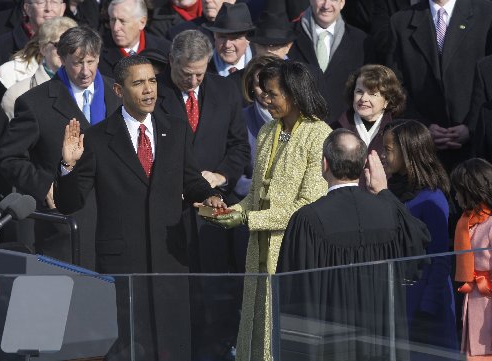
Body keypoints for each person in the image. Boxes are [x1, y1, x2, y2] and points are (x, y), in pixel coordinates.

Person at [54, 55, 225, 361]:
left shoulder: (176, 128)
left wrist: (209, 195)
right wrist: (68, 165)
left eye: (152, 81)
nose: (148, 90)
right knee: (128, 348)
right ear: (118, 90)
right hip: (123, 265)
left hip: (170, 260)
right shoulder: (97, 138)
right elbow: (70, 203)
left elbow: (190, 178)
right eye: (138, 83)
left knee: (173, 346)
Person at [207, 59, 332, 361]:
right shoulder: (267, 131)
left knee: (283, 335)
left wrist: (248, 218)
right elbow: (256, 194)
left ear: (294, 93)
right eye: (264, 92)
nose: (265, 98)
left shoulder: (319, 134)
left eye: (272, 93)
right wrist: (230, 210)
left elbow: (308, 205)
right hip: (257, 250)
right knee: (254, 328)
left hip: (292, 251)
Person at [276, 129, 430, 361]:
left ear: (324, 164)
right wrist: (384, 192)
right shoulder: (388, 211)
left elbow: (293, 295)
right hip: (381, 340)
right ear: (362, 166)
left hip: (334, 345)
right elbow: (418, 246)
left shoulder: (308, 219)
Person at [155, 29, 249, 359]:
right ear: (171, 62)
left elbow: (239, 146)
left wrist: (221, 175)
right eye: (186, 73)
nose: (194, 81)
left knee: (213, 296)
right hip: (171, 212)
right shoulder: (154, 93)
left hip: (215, 214)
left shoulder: (225, 90)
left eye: (200, 72)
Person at [0, 25, 120, 268]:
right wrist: (44, 186)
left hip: (114, 224)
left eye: (91, 62)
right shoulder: (35, 103)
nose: (85, 71)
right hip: (65, 225)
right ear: (61, 59)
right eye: (77, 63)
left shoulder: (116, 94)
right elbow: (8, 157)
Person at [382, 120, 459, 356]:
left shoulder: (431, 197)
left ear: (408, 152)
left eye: (389, 150)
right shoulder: (393, 190)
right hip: (402, 299)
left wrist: (428, 304)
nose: (383, 156)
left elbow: (440, 257)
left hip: (427, 305)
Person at [388, 0, 492, 170]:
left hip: (477, 152)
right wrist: (422, 128)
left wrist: (471, 127)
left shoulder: (487, 13)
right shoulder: (400, 22)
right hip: (425, 153)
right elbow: (397, 85)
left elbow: (489, 74)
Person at [287, 0, 374, 125]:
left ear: (342, 3)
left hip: (344, 128)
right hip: (299, 127)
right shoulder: (288, 38)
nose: (326, 5)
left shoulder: (362, 42)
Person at [335, 64, 406, 185]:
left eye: (373, 93)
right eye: (359, 91)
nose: (363, 98)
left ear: (387, 100)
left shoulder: (399, 132)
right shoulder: (335, 129)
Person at [451, 158, 492, 359]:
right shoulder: (467, 223)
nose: (456, 196)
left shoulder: (490, 223)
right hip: (475, 296)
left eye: (458, 190)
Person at [1, 16, 77, 119]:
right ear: (43, 49)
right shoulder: (17, 95)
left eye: (72, 45)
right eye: (59, 45)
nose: (66, 51)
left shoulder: (92, 88)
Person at [234, 54, 277, 199]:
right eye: (260, 85)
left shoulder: (301, 119)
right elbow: (234, 174)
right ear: (251, 86)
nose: (266, 91)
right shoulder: (239, 120)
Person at [97, 0, 171, 78]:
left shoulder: (165, 50)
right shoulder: (97, 52)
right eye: (113, 20)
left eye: (122, 21)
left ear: (142, 22)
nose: (116, 28)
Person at [0, 0, 66, 67]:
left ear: (62, 9)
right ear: (28, 9)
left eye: (54, 2)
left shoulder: (73, 43)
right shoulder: (0, 46)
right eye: (41, 2)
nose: (48, 8)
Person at [202, 2, 254, 76]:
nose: (227, 45)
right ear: (214, 36)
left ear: (248, 39)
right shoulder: (203, 69)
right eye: (222, 37)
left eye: (234, 38)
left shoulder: (260, 68)